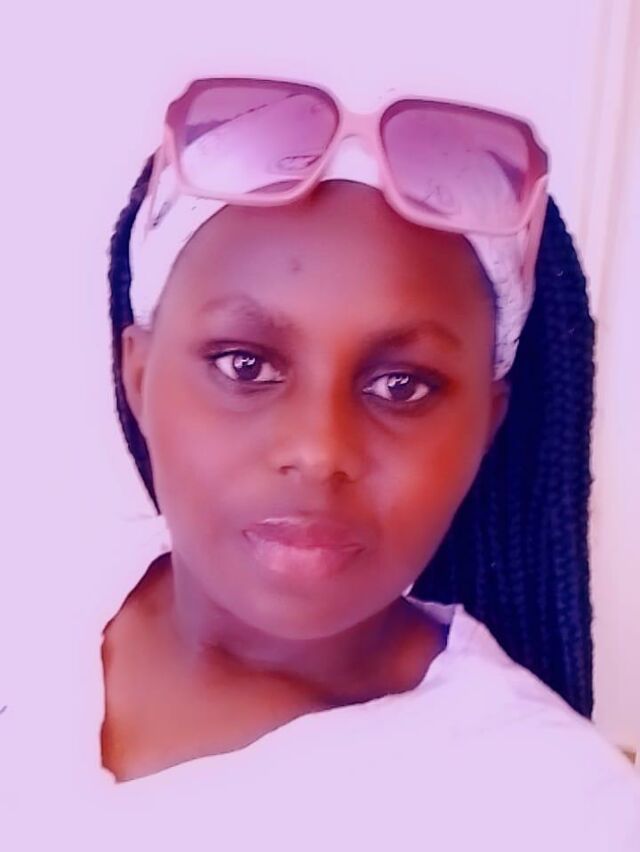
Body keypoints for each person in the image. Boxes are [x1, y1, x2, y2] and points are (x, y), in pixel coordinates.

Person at [91, 76, 640, 846]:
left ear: (486, 425)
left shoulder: (563, 813)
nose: (320, 451)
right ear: (140, 376)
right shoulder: (37, 603)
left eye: (401, 385)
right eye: (245, 365)